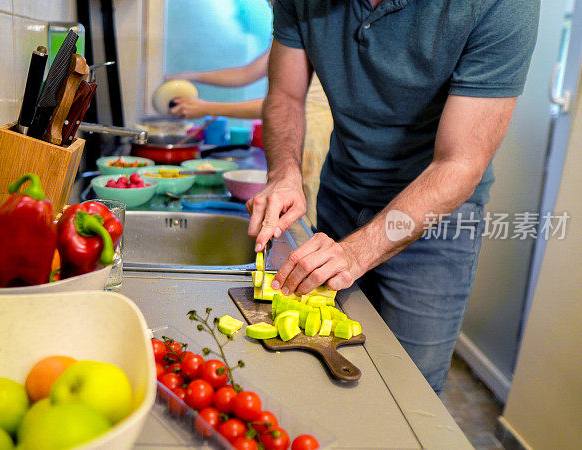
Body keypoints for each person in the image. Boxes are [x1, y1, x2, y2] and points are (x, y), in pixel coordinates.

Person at [248, 0, 539, 393]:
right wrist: (284, 174)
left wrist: (355, 252)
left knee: (409, 390)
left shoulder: (501, 5)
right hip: (342, 194)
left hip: (435, 220)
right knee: (318, 367)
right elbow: (284, 95)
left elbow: (460, 164)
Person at [165, 51, 334, 224]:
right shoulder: (290, 32)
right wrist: (185, 78)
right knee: (288, 205)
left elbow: (282, 106)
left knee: (302, 211)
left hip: (310, 138)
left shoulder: (318, 34)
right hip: (292, 138)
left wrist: (207, 107)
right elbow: (244, 74)